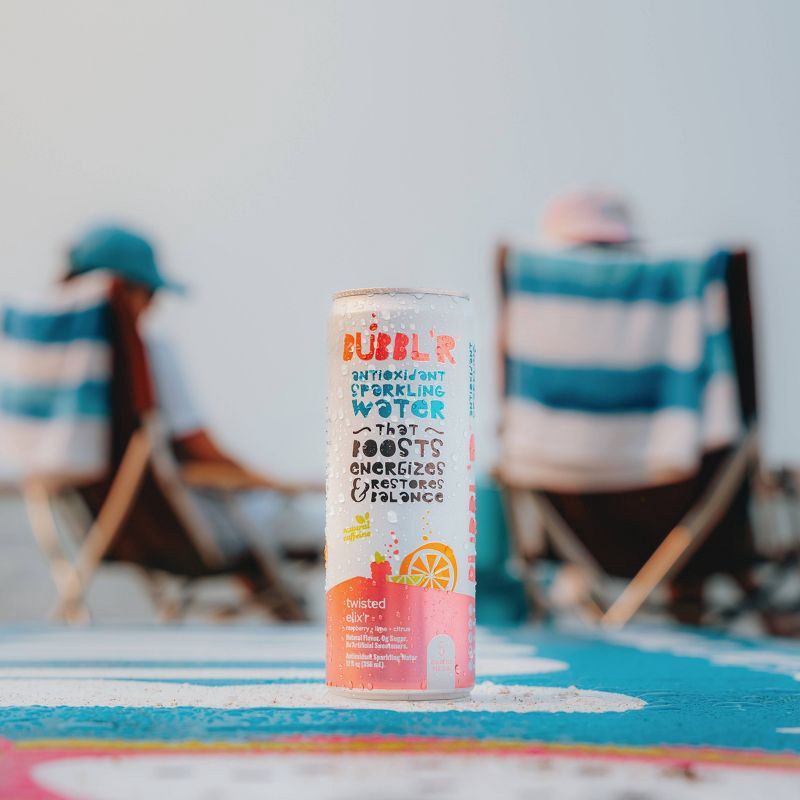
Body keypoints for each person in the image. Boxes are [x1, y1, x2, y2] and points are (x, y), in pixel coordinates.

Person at [66, 224, 323, 561]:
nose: (154, 307)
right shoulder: (147, 356)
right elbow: (199, 447)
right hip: (191, 529)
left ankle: (263, 587)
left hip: (108, 533)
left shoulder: (58, 374)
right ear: (123, 293)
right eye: (151, 294)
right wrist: (269, 484)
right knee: (347, 537)